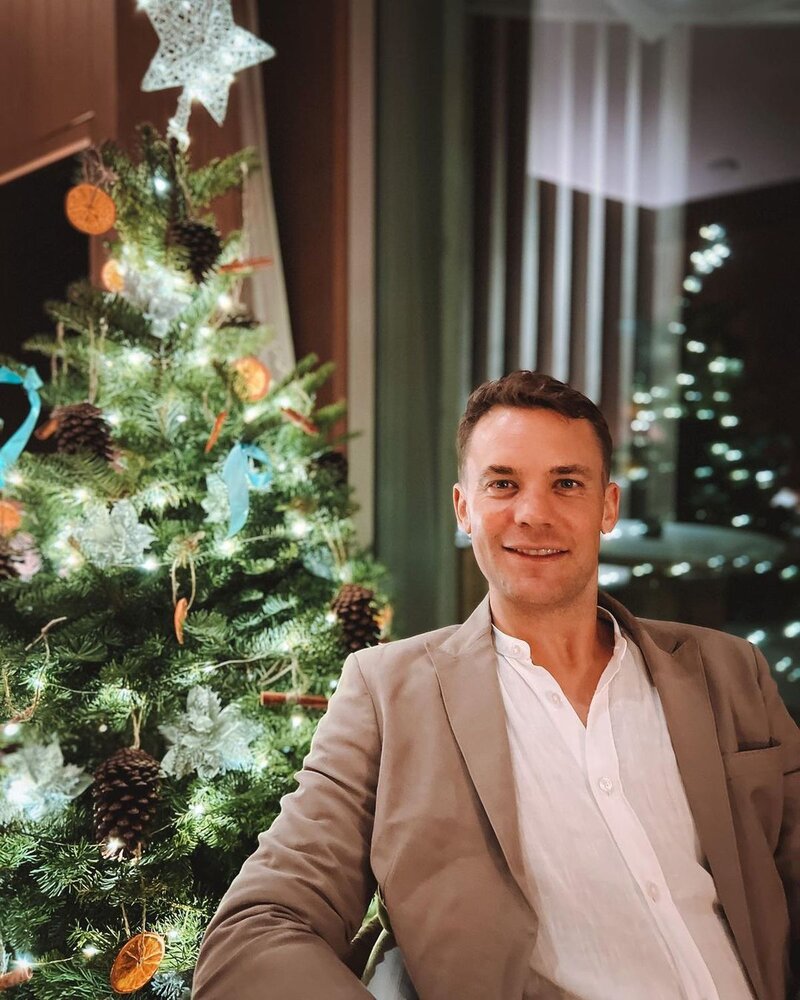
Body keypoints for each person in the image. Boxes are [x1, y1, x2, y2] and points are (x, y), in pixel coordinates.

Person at [192, 371, 799, 1000]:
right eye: (503, 484)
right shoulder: (387, 696)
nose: (533, 514)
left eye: (567, 483)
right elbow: (255, 931)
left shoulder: (730, 672)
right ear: (464, 508)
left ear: (607, 507)